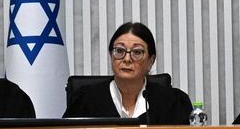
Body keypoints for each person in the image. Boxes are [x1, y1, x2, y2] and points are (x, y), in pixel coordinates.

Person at [63, 22, 192, 124]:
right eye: (119, 51)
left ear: (150, 61)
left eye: (137, 52)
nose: (126, 59)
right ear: (111, 56)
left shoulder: (174, 103)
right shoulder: (85, 100)